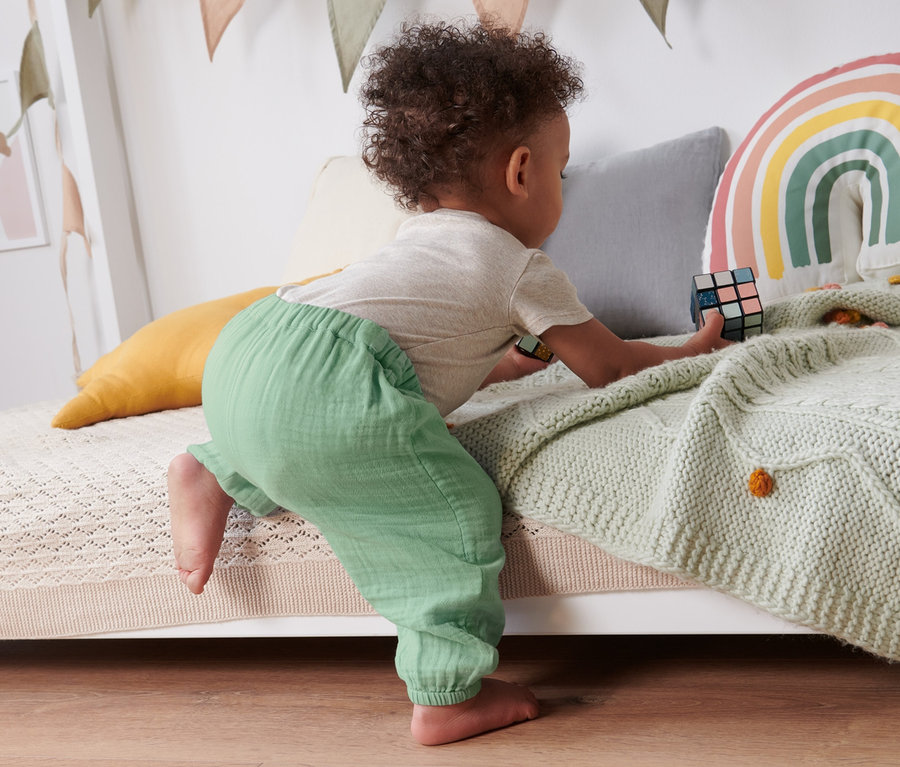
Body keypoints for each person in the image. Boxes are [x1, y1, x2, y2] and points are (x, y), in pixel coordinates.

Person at [168, 19, 729, 747]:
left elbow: (412, 351)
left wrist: (505, 366)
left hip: (253, 346)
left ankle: (213, 466)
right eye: (560, 173)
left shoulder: (414, 239)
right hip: (326, 377)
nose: (560, 188)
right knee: (455, 510)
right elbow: (612, 367)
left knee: (296, 430)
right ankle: (447, 693)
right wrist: (695, 349)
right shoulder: (519, 266)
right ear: (522, 173)